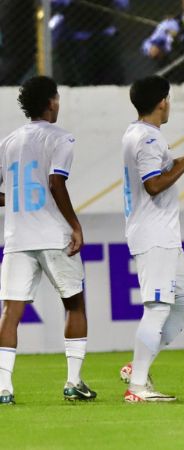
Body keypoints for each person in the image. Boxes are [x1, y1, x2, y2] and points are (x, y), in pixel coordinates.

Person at [0, 76, 95, 404]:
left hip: (17, 236)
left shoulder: (9, 141)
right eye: (57, 97)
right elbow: (56, 183)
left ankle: (3, 387)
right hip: (53, 234)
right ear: (52, 101)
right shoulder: (61, 138)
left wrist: (13, 200)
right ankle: (73, 382)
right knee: (75, 303)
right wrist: (76, 225)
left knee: (11, 311)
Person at [118, 75, 184, 402]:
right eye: (168, 98)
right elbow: (153, 185)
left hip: (165, 235)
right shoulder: (147, 139)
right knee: (158, 307)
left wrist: (177, 161)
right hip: (153, 233)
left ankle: (138, 367)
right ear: (162, 101)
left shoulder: (139, 133)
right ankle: (138, 388)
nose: (169, 103)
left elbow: (157, 172)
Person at [51, 0, 127, 86]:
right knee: (78, 80)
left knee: (111, 78)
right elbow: (53, 3)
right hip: (76, 39)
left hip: (104, 35)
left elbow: (123, 4)